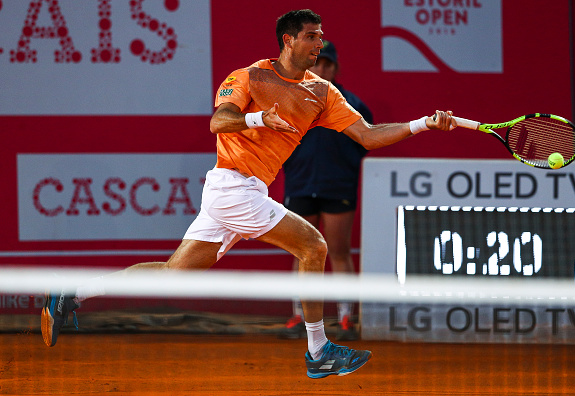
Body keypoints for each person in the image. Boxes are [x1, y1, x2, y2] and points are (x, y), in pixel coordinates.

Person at [41, 9, 456, 379]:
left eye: (321, 36)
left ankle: (72, 293)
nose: (320, 43)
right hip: (231, 186)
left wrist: (422, 124)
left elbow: (366, 135)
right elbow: (219, 123)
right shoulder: (249, 76)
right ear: (288, 40)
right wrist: (260, 118)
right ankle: (318, 351)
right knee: (314, 246)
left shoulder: (323, 93)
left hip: (242, 191)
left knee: (174, 273)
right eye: (312, 36)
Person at [279, 40, 372, 341]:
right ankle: (299, 316)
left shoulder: (353, 104)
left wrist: (341, 166)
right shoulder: (290, 99)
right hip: (301, 184)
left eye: (327, 63)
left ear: (335, 67)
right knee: (302, 252)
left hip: (338, 186)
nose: (322, 68)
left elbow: (367, 140)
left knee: (339, 251)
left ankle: (346, 318)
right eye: (317, 62)